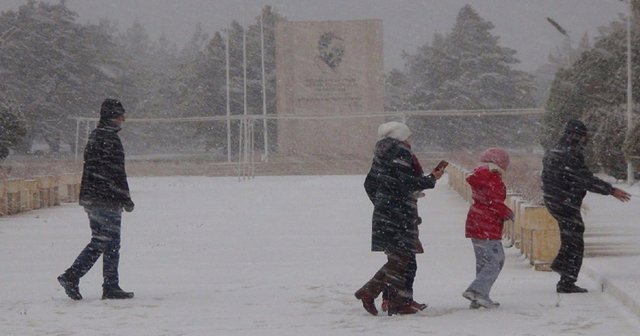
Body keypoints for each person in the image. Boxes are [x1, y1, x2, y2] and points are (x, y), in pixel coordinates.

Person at [355, 121, 444, 316]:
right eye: (408, 136)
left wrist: (381, 203)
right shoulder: (400, 152)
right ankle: (371, 292)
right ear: (401, 137)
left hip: (388, 213)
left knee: (404, 259)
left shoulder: (381, 154)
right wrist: (431, 179)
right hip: (399, 215)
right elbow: (404, 182)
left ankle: (398, 301)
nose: (410, 140)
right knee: (401, 259)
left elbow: (370, 183)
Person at [57, 98, 136, 300]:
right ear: (111, 117)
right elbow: (117, 172)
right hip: (106, 199)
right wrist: (125, 197)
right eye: (120, 116)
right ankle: (73, 275)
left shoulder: (96, 136)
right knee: (104, 241)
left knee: (107, 242)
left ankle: (110, 285)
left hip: (93, 197)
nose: (122, 119)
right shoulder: (109, 140)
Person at [542, 119, 631, 293]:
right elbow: (584, 179)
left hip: (555, 199)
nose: (586, 139)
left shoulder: (555, 150)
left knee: (571, 237)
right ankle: (566, 280)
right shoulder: (569, 154)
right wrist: (611, 190)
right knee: (574, 240)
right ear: (576, 136)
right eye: (584, 136)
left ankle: (562, 268)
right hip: (564, 202)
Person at [461, 148, 513, 309]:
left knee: (484, 262)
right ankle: (477, 291)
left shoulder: (481, 175)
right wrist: (507, 212)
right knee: (496, 260)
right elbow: (494, 202)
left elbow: (486, 199)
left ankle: (479, 298)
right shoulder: (493, 178)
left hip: (477, 222)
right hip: (487, 224)